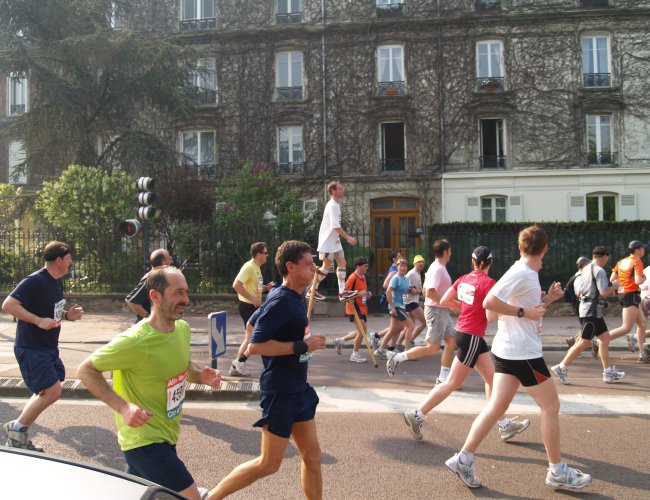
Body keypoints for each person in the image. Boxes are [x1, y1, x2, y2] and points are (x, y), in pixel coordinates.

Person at [445, 225, 592, 491]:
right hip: (523, 353)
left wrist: (548, 301)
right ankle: (557, 471)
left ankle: (463, 458)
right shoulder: (522, 272)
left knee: (496, 407)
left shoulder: (525, 273)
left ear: (520, 246)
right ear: (545, 248)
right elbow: (490, 304)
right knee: (551, 406)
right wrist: (524, 312)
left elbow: (525, 311)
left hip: (508, 350)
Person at [78, 267, 221, 499]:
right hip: (144, 441)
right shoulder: (136, 341)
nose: (185, 300)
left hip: (167, 436)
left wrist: (200, 375)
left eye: (186, 292)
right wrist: (123, 407)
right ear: (155, 296)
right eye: (178, 293)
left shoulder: (182, 329)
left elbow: (184, 367)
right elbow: (86, 370)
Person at [207, 241, 327, 500]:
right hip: (281, 391)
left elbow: (251, 323)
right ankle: (211, 497)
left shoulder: (287, 296)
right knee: (268, 464)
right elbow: (256, 343)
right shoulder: (282, 300)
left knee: (313, 456)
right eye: (309, 264)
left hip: (298, 388)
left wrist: (305, 351)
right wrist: (301, 346)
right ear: (291, 267)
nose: (314, 269)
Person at [401, 247, 529, 443]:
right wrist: (515, 312)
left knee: (493, 380)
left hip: (466, 333)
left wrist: (463, 307)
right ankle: (417, 414)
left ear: (473, 262)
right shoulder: (489, 283)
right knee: (453, 382)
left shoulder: (463, 279)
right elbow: (491, 315)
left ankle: (504, 425)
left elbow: (444, 300)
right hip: (472, 336)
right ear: (490, 263)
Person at [1, 241, 84, 452]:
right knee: (53, 390)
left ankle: (18, 430)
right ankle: (17, 427)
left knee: (49, 390)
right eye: (68, 258)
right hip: (31, 346)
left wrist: (67, 316)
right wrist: (37, 320)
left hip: (47, 347)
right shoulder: (34, 280)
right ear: (59, 260)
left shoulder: (57, 282)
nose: (71, 262)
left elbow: (51, 312)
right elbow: (8, 305)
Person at [383, 239, 456, 384]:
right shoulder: (438, 269)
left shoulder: (436, 267)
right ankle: (397, 357)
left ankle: (443, 379)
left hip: (441, 311)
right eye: (450, 250)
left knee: (451, 342)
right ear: (446, 252)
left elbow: (423, 290)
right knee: (433, 347)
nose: (451, 253)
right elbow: (429, 292)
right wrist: (449, 303)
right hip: (436, 311)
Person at [550, 246, 624, 385]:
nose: (607, 260)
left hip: (589, 309)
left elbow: (578, 292)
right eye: (607, 257)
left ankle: (608, 371)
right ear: (604, 256)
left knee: (605, 338)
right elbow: (603, 292)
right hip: (592, 311)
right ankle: (561, 367)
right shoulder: (599, 271)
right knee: (584, 342)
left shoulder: (584, 270)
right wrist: (615, 285)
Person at [306, 181, 358, 302]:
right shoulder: (332, 206)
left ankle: (342, 292)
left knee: (342, 263)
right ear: (333, 191)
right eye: (340, 189)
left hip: (335, 242)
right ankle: (312, 290)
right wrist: (348, 238)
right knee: (326, 266)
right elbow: (335, 226)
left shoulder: (336, 205)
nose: (342, 191)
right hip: (328, 242)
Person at [230, 242, 275, 376]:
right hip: (247, 306)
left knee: (251, 337)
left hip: (252, 306)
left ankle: (237, 365)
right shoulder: (249, 267)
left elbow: (254, 286)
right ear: (258, 254)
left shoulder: (256, 267)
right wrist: (252, 299)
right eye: (265, 253)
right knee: (253, 336)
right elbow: (236, 285)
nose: (267, 255)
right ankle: (239, 364)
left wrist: (266, 288)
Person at [608, 240, 648, 363]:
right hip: (631, 295)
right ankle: (599, 341)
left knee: (642, 325)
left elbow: (612, 278)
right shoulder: (637, 261)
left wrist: (623, 284)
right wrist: (644, 277)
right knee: (626, 328)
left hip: (624, 293)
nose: (644, 250)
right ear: (637, 250)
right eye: (642, 248)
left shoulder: (621, 261)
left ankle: (643, 354)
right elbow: (638, 281)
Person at [334, 257, 372, 363]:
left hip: (362, 307)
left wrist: (368, 294)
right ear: (359, 267)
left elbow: (363, 291)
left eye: (367, 266)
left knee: (359, 331)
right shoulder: (352, 278)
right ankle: (354, 354)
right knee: (363, 331)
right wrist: (359, 294)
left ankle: (340, 341)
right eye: (365, 266)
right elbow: (343, 295)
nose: (367, 268)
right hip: (354, 308)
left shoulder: (362, 276)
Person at [374, 258, 414, 359]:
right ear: (397, 267)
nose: (403, 268)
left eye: (404, 266)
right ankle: (407, 352)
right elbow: (388, 292)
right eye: (400, 265)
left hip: (402, 305)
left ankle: (380, 350)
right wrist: (392, 307)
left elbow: (402, 291)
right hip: (397, 306)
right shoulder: (396, 278)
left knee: (395, 329)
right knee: (410, 326)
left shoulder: (405, 279)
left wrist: (410, 291)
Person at [125, 248, 173, 322]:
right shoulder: (151, 278)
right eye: (169, 258)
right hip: (147, 329)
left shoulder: (161, 277)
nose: (171, 260)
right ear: (164, 263)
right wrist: (149, 317)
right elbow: (131, 301)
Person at [403, 254, 427, 346]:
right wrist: (418, 292)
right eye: (418, 262)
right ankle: (410, 341)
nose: (421, 263)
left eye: (422, 262)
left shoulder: (417, 273)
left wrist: (419, 292)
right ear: (414, 263)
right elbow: (407, 288)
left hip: (412, 301)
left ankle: (401, 344)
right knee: (425, 321)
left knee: (409, 326)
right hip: (410, 302)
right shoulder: (411, 273)